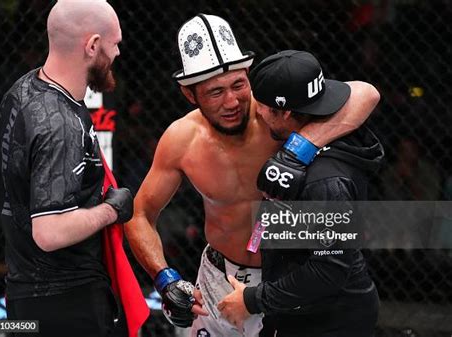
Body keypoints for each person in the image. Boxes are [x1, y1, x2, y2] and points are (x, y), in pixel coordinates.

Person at [125, 14, 380, 337]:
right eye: (215, 92)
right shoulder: (181, 139)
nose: (232, 101)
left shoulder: (277, 113)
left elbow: (366, 94)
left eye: (238, 85)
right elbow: (140, 214)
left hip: (286, 280)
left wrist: (298, 149)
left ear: (249, 75)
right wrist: (166, 278)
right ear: (190, 94)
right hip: (219, 277)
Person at [218, 50, 384, 337]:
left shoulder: (324, 181)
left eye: (265, 107)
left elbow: (329, 269)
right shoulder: (333, 129)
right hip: (303, 310)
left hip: (330, 321)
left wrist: (253, 300)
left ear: (286, 112)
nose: (257, 111)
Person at [0, 1, 135, 336]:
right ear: (92, 45)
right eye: (114, 43)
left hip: (23, 294)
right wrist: (111, 211)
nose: (117, 54)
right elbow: (49, 232)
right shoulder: (59, 123)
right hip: (68, 306)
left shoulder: (22, 90)